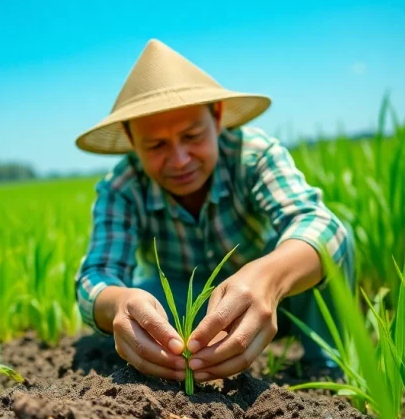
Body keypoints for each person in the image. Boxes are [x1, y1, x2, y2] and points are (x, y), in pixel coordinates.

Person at [72, 38, 355, 384]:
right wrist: (119, 303)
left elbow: (321, 225)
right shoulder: (123, 187)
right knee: (144, 297)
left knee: (321, 246)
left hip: (276, 303)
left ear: (217, 118)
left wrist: (268, 279)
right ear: (132, 143)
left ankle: (325, 370)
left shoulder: (252, 155)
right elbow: (96, 278)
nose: (179, 160)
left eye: (192, 136)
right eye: (157, 145)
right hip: (183, 312)